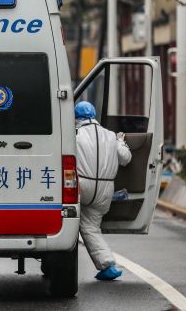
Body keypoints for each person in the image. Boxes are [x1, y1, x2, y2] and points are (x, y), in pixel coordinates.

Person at [75, 101, 131, 281]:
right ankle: (108, 266)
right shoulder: (111, 135)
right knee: (91, 227)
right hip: (105, 190)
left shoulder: (74, 134)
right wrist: (121, 142)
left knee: (68, 222)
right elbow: (125, 159)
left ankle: (57, 262)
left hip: (81, 186)